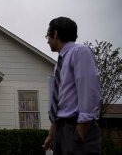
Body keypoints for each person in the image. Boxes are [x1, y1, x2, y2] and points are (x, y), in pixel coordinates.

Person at [42, 17, 102, 155]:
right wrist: (52, 133)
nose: (47, 40)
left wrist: (80, 132)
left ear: (55, 34)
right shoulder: (59, 64)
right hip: (61, 131)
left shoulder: (80, 52)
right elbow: (61, 102)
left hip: (77, 128)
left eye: (48, 35)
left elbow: (90, 91)